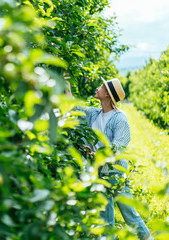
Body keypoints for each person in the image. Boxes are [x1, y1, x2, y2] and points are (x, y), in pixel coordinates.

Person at [66, 77, 152, 240]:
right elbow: (74, 108)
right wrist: (67, 87)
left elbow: (119, 145)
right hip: (100, 173)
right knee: (106, 220)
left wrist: (98, 154)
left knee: (129, 214)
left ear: (107, 94)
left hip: (115, 173)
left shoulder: (119, 118)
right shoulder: (93, 113)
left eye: (102, 86)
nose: (98, 88)